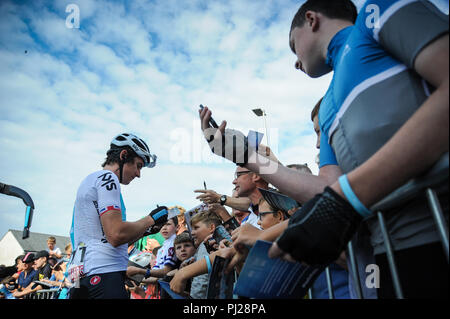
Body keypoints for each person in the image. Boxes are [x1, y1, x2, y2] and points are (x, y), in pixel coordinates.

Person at [274, 0, 448, 299]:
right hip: (393, 261)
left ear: (311, 19)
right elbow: (330, 190)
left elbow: (344, 196)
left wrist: (348, 197)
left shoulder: (377, 11)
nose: (296, 61)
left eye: (293, 45)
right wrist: (246, 157)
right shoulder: (327, 104)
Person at [68, 133, 169, 299]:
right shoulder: (108, 178)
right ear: (123, 155)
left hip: (82, 276)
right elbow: (116, 234)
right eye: (138, 165)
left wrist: (145, 231)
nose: (138, 174)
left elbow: (107, 238)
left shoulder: (90, 180)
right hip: (104, 274)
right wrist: (151, 218)